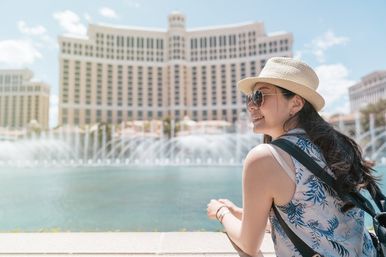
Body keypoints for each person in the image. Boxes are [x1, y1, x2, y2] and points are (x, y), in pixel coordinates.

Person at [206, 57, 378, 256]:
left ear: (295, 103)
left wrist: (221, 212)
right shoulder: (336, 145)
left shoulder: (265, 157)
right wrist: (238, 212)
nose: (252, 106)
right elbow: (314, 219)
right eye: (250, 98)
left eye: (260, 96)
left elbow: (249, 244)